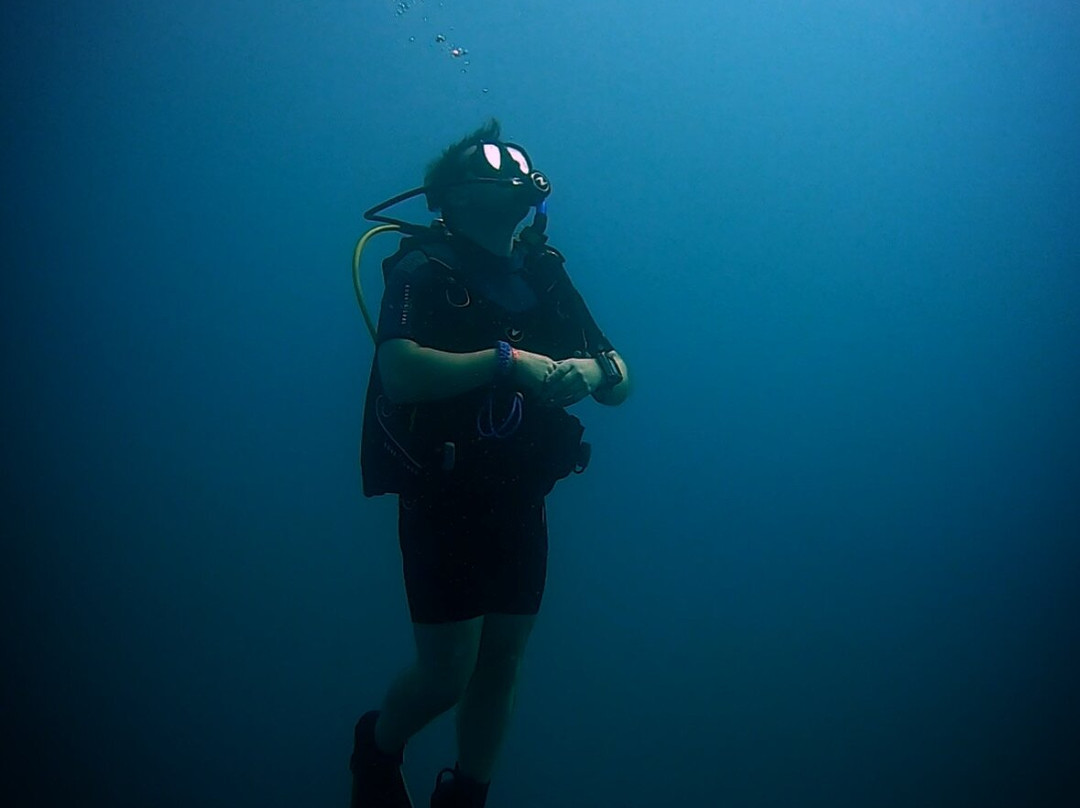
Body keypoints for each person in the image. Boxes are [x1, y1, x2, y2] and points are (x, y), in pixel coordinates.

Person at [350, 119, 630, 808]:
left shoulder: (543, 271)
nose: (514, 172)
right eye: (494, 164)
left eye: (520, 163)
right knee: (447, 675)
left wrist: (586, 374)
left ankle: (467, 795)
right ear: (452, 196)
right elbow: (400, 373)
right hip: (443, 495)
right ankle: (377, 748)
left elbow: (619, 373)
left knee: (502, 663)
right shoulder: (422, 268)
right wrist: (508, 364)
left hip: (519, 497)